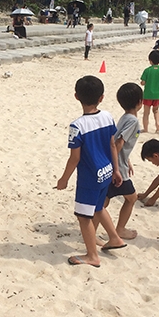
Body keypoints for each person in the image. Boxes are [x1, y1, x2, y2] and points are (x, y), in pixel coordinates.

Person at [55, 75, 126, 268]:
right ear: (101, 97)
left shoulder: (77, 125)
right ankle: (114, 238)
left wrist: (64, 179)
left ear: (76, 96)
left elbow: (75, 157)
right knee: (98, 208)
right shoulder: (108, 116)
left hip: (90, 178)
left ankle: (92, 255)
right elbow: (113, 144)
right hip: (107, 170)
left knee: (84, 216)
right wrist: (116, 170)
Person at [104, 83, 143, 239]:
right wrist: (117, 168)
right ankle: (120, 229)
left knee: (104, 201)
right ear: (140, 102)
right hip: (117, 168)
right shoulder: (133, 121)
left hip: (118, 163)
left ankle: (92, 228)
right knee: (131, 198)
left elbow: (120, 143)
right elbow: (118, 143)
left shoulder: (124, 118)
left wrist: (127, 160)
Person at [140, 49, 159, 133]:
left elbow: (143, 82)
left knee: (146, 113)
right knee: (156, 110)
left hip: (148, 95)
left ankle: (145, 129)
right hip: (158, 94)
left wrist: (142, 82)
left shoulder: (147, 70)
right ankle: (157, 123)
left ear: (150, 60)